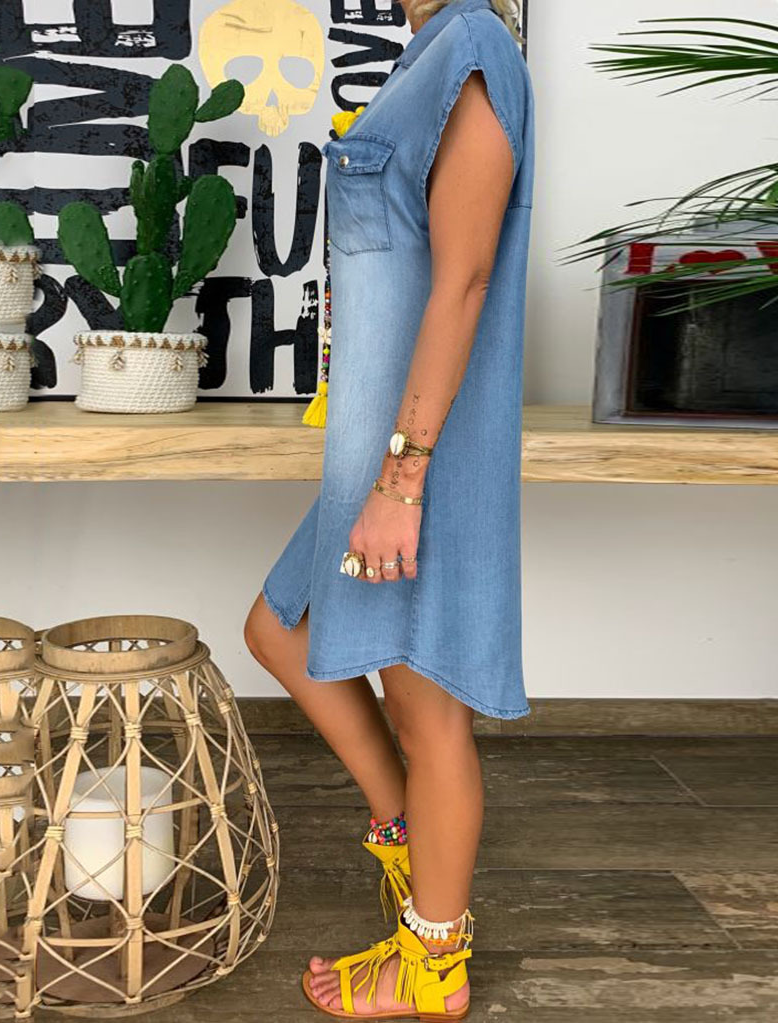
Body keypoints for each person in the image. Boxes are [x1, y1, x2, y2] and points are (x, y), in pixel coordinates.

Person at [243, 0, 535, 1017]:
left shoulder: (476, 51)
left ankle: (432, 970)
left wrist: (403, 479)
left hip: (421, 458)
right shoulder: (427, 55)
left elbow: (464, 281)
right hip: (371, 455)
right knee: (278, 629)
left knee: (426, 710)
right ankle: (410, 838)